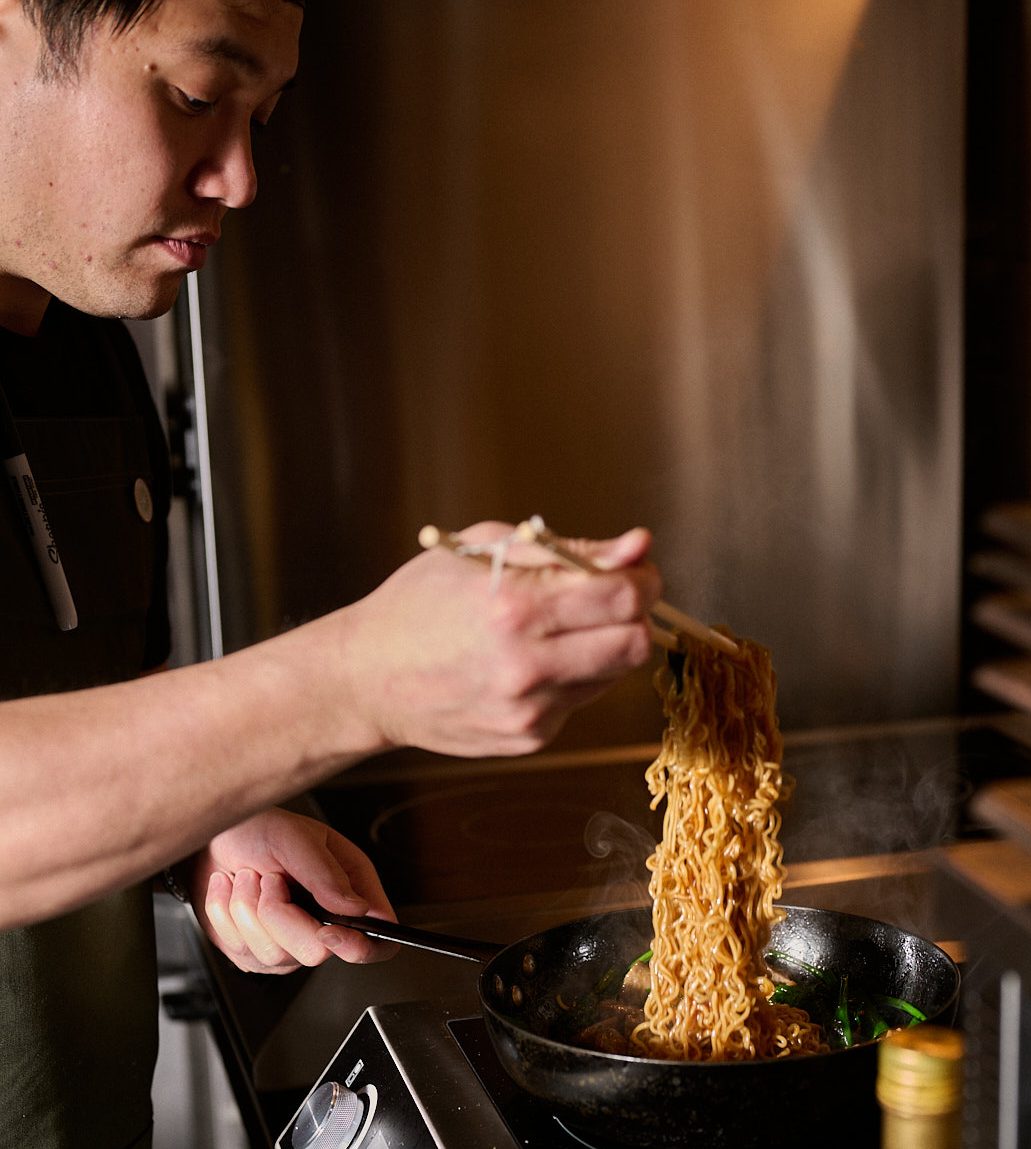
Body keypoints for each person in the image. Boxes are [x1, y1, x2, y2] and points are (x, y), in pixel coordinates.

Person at [0, 1, 663, 1145]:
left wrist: (221, 817)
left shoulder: (82, 338)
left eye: (262, 118)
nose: (243, 179)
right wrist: (345, 684)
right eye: (198, 96)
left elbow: (99, 685)